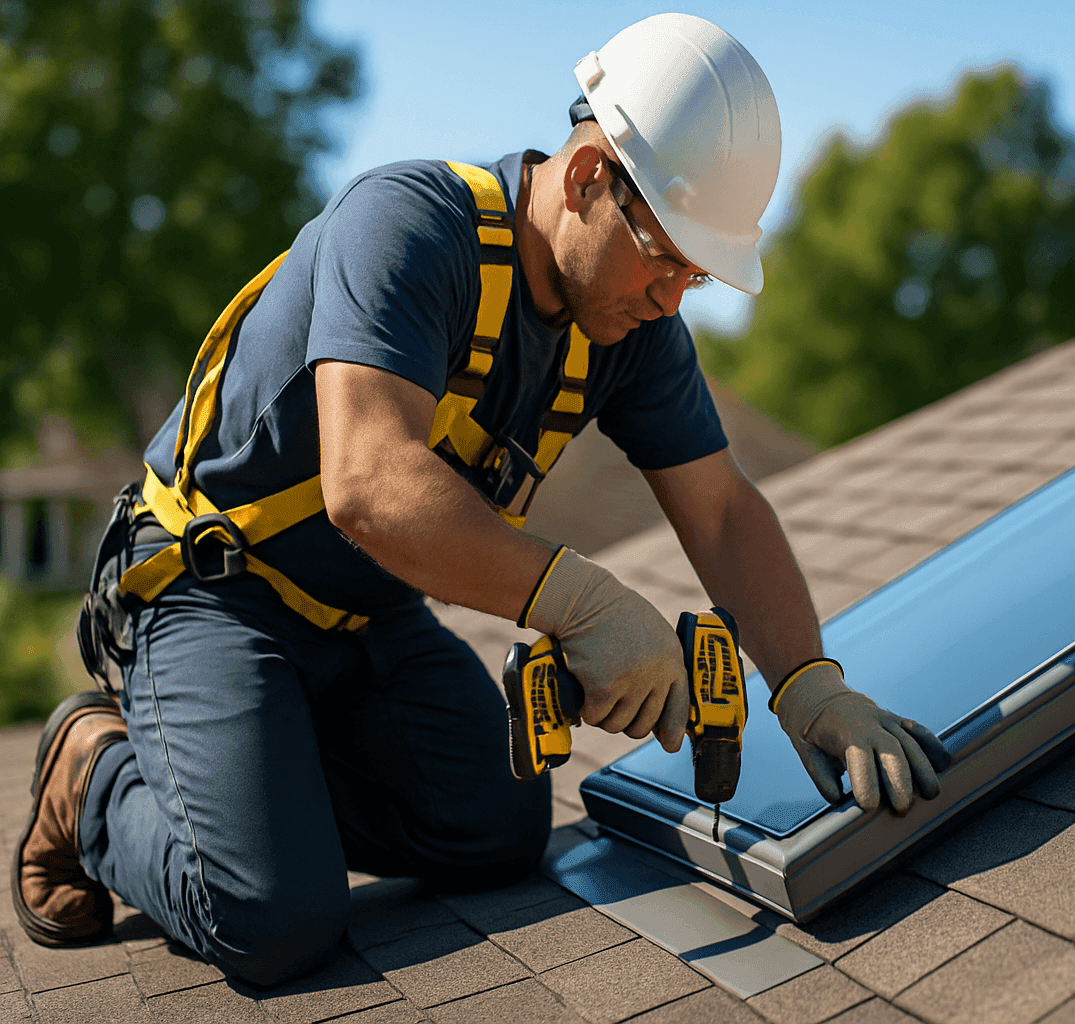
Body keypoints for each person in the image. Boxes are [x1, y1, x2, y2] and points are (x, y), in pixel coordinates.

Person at [13, 14, 949, 986]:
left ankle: (255, 778)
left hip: (362, 615)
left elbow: (720, 507)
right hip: (213, 592)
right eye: (666, 256)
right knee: (271, 915)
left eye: (698, 274)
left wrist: (809, 685)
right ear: (589, 175)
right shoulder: (411, 227)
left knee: (501, 829)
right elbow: (369, 483)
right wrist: (581, 602)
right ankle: (93, 775)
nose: (675, 297)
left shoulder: (629, 329)